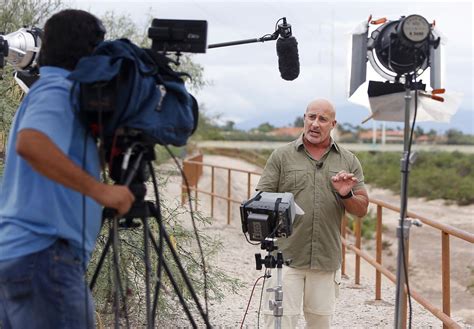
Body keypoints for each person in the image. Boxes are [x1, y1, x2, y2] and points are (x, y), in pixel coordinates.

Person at [0, 9, 135, 329]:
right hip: (45, 258)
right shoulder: (58, 91)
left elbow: (56, 155)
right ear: (90, 53)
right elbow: (31, 144)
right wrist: (102, 191)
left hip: (20, 257)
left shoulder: (45, 94)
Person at [257, 99, 369, 329]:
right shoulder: (281, 156)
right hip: (285, 257)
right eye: (311, 117)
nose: (315, 124)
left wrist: (346, 195)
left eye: (322, 119)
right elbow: (260, 200)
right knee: (279, 323)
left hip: (326, 260)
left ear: (333, 124)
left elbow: (362, 209)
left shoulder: (348, 160)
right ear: (304, 118)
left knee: (319, 324)